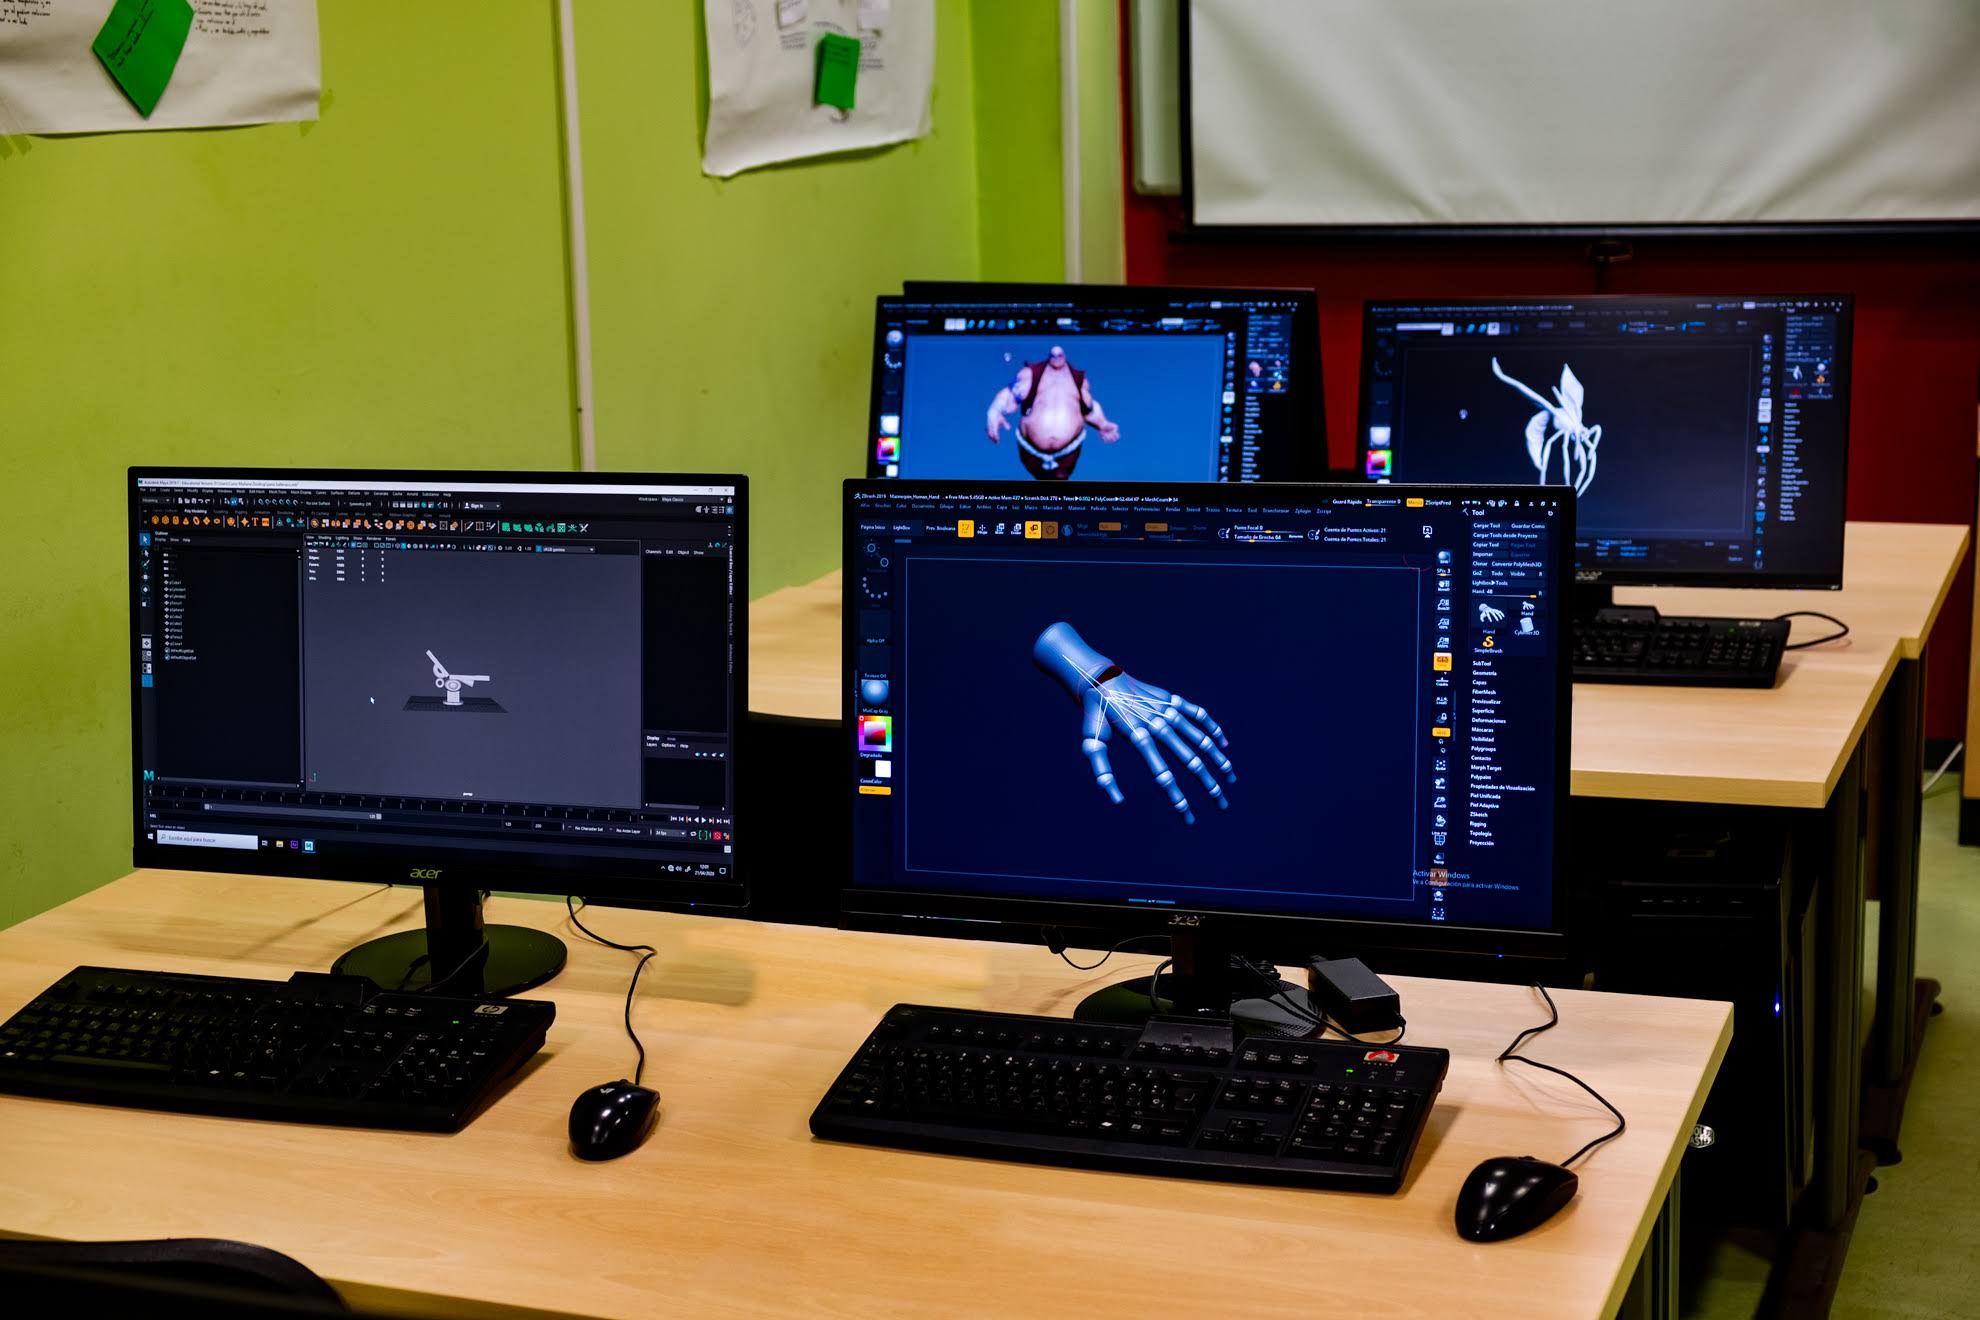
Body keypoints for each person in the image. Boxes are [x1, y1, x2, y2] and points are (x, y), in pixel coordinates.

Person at [985, 345, 1119, 480]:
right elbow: (1009, 395)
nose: (1056, 358)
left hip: (1067, 454)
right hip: (1031, 452)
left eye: (1059, 355)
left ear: (1064, 357)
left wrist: (1102, 424)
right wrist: (994, 411)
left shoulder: (1079, 381)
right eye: (1053, 355)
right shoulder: (1031, 375)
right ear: (1049, 357)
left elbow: (1089, 408)